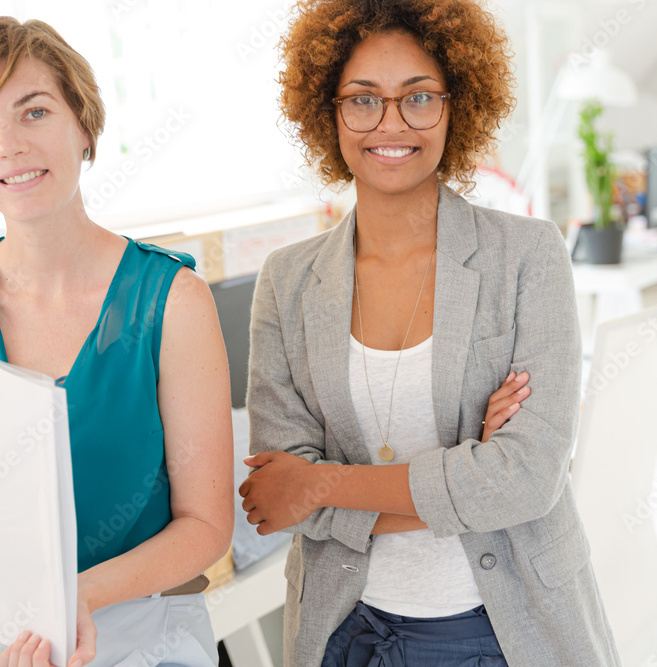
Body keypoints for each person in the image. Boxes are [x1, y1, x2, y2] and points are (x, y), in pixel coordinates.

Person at [239, 0, 620, 665]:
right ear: (328, 111)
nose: (391, 123)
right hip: (343, 630)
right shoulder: (287, 280)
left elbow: (528, 480)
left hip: (497, 629)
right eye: (363, 100)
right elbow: (278, 494)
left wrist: (323, 482)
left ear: (457, 105)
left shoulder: (527, 255)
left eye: (418, 97)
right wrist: (472, 463)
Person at [0, 17, 234, 667]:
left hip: (144, 630)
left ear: (84, 126)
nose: (9, 146)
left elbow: (206, 525)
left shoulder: (171, 301)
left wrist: (74, 598)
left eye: (33, 111)